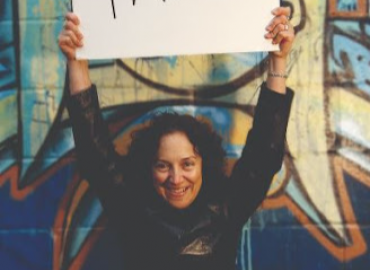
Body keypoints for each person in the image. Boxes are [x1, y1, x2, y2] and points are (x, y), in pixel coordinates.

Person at [59, 6, 295, 270]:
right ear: (148, 168)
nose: (176, 178)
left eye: (187, 164)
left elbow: (264, 154)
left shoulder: (225, 208)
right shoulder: (132, 209)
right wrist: (76, 62)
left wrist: (278, 61)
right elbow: (94, 153)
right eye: (163, 165)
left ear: (204, 163)